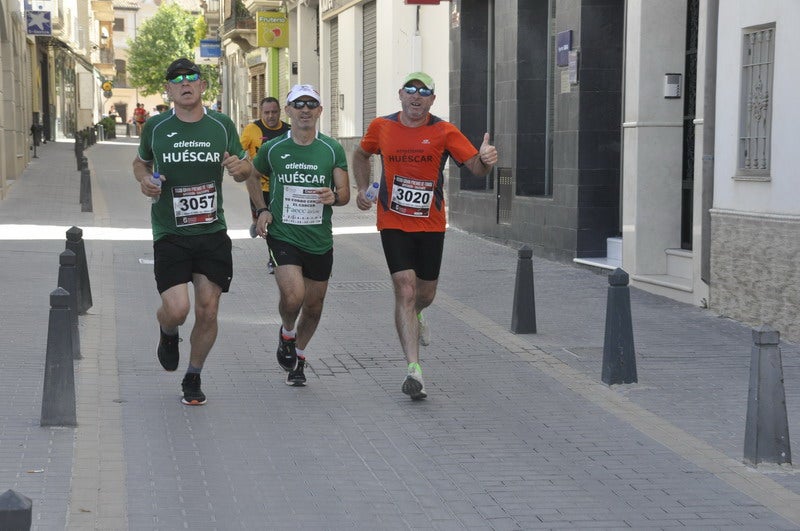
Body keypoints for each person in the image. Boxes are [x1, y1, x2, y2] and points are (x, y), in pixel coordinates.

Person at [352, 72, 498, 400]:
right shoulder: (381, 127)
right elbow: (361, 154)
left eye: (424, 92)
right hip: (392, 222)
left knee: (425, 294)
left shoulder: (444, 131)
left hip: (430, 225)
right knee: (405, 288)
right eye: (411, 90)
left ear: (432, 100)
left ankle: (417, 313)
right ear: (400, 94)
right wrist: (362, 188)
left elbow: (475, 167)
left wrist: (486, 160)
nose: (416, 97)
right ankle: (413, 369)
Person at [132, 58, 254, 406]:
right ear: (168, 90)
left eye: (191, 77)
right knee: (177, 309)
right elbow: (141, 162)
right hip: (170, 232)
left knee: (208, 309)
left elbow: (245, 167)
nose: (185, 83)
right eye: (177, 79)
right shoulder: (155, 126)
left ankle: (193, 375)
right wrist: (145, 180)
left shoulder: (221, 125)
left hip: (211, 231)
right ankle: (168, 331)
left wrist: (240, 169)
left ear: (202, 86)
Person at [247, 84, 349, 387]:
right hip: (284, 234)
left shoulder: (331, 149)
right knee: (293, 296)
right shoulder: (274, 148)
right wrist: (261, 210)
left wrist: (334, 197)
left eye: (311, 104)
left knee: (314, 307)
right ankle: (287, 332)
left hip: (319, 239)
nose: (305, 109)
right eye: (299, 104)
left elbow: (344, 193)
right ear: (289, 111)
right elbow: (252, 174)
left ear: (320, 111)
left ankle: (299, 357)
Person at [240, 96, 291, 273]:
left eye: (274, 112)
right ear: (261, 112)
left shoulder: (288, 130)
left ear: (280, 112)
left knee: (276, 225)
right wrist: (243, 164)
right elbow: (238, 150)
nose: (271, 116)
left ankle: (273, 258)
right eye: (267, 112)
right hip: (259, 187)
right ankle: (256, 221)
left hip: (280, 188)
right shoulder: (252, 129)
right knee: (264, 222)